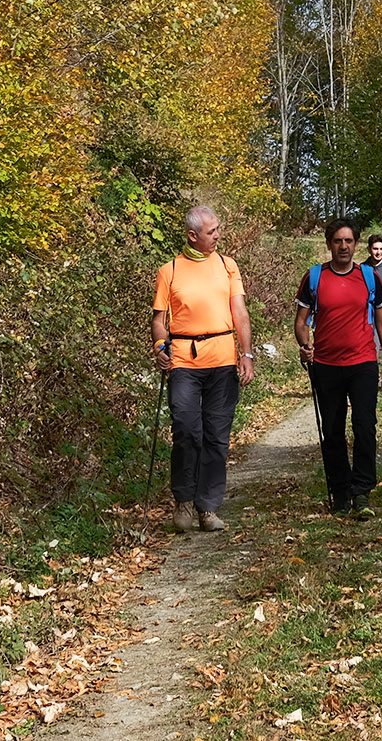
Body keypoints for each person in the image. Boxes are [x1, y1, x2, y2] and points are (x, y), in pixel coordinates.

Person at [153, 205, 255, 533]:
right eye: (211, 232)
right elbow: (159, 320)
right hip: (183, 359)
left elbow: (239, 312)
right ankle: (183, 500)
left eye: (217, 230)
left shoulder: (228, 266)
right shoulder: (169, 270)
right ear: (192, 235)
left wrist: (247, 353)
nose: (218, 236)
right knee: (186, 429)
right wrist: (159, 347)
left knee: (217, 437)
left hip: (223, 360)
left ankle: (208, 508)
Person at [293, 219, 382, 520]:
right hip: (325, 364)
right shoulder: (314, 277)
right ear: (329, 244)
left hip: (363, 362)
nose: (343, 246)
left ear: (356, 244)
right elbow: (301, 322)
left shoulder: (368, 276)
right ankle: (340, 492)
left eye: (349, 241)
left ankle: (362, 491)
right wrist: (305, 344)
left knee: (365, 427)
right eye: (338, 241)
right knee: (333, 431)